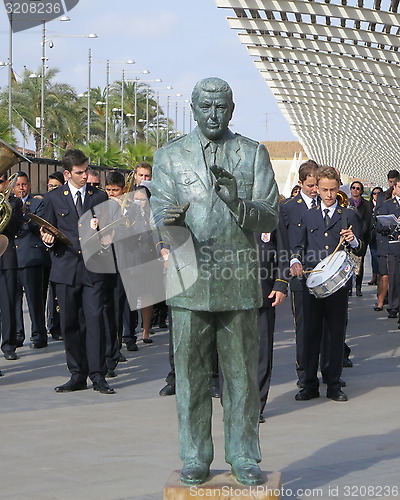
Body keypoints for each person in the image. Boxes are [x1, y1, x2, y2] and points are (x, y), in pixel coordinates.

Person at [151, 77, 279, 486]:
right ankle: (194, 455)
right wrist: (165, 223)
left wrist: (237, 202)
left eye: (220, 107)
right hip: (188, 279)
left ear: (232, 108)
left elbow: (271, 215)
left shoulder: (253, 153)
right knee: (189, 375)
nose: (213, 115)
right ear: (193, 107)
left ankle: (243, 454)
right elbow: (157, 214)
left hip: (237, 278)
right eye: (205, 107)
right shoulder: (169, 156)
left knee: (241, 374)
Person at [41, 149, 115, 395]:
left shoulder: (99, 196)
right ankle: (77, 374)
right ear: (67, 173)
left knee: (95, 321)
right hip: (66, 269)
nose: (85, 176)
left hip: (94, 269)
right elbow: (47, 231)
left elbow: (108, 229)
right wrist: (48, 239)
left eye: (86, 171)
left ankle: (98, 375)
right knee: (70, 323)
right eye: (80, 172)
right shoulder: (53, 199)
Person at [291, 166, 362, 403]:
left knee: (334, 334)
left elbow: (360, 247)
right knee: (310, 334)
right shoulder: (307, 215)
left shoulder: (348, 215)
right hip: (312, 285)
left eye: (333, 190)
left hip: (337, 286)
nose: (329, 194)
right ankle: (309, 384)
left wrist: (353, 241)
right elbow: (298, 246)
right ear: (317, 189)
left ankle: (333, 384)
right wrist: (295, 261)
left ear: (338, 187)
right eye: (324, 190)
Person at [280, 160, 319, 387]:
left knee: (326, 325)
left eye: (317, 186)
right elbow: (283, 242)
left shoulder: (325, 204)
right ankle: (304, 373)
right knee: (303, 326)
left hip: (322, 272)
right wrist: (290, 263)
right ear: (301, 182)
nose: (315, 190)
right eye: (310, 185)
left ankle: (328, 369)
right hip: (299, 274)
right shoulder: (288, 208)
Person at [13, 171, 48, 349]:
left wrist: (25, 214)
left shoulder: (37, 202)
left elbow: (39, 227)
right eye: (18, 185)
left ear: (30, 185)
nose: (21, 188)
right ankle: (17, 335)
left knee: (35, 299)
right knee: (14, 300)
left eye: (24, 184)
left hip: (31, 256)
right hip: (12, 256)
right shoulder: (7, 203)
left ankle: (39, 335)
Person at [257, 227, 288, 423]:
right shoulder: (225, 210)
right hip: (231, 296)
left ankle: (256, 406)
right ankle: (233, 404)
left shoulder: (270, 216)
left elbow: (283, 252)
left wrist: (280, 284)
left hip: (263, 293)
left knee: (262, 352)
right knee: (231, 352)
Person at [0, 174, 23, 361]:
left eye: (2, 181)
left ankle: (8, 345)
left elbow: (14, 227)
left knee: (8, 303)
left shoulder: (13, 203)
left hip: (6, 256)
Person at [376, 176, 400, 323]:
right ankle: (394, 305)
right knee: (395, 277)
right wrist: (393, 224)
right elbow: (379, 226)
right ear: (395, 188)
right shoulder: (388, 205)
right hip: (394, 245)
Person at [348, 181, 372, 297]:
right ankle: (348, 287)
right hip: (347, 237)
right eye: (353, 188)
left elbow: (367, 222)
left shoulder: (367, 205)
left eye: (358, 188)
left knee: (359, 262)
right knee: (347, 262)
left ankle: (358, 287)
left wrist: (359, 235)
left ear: (361, 191)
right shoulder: (346, 202)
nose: (355, 190)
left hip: (361, 237)